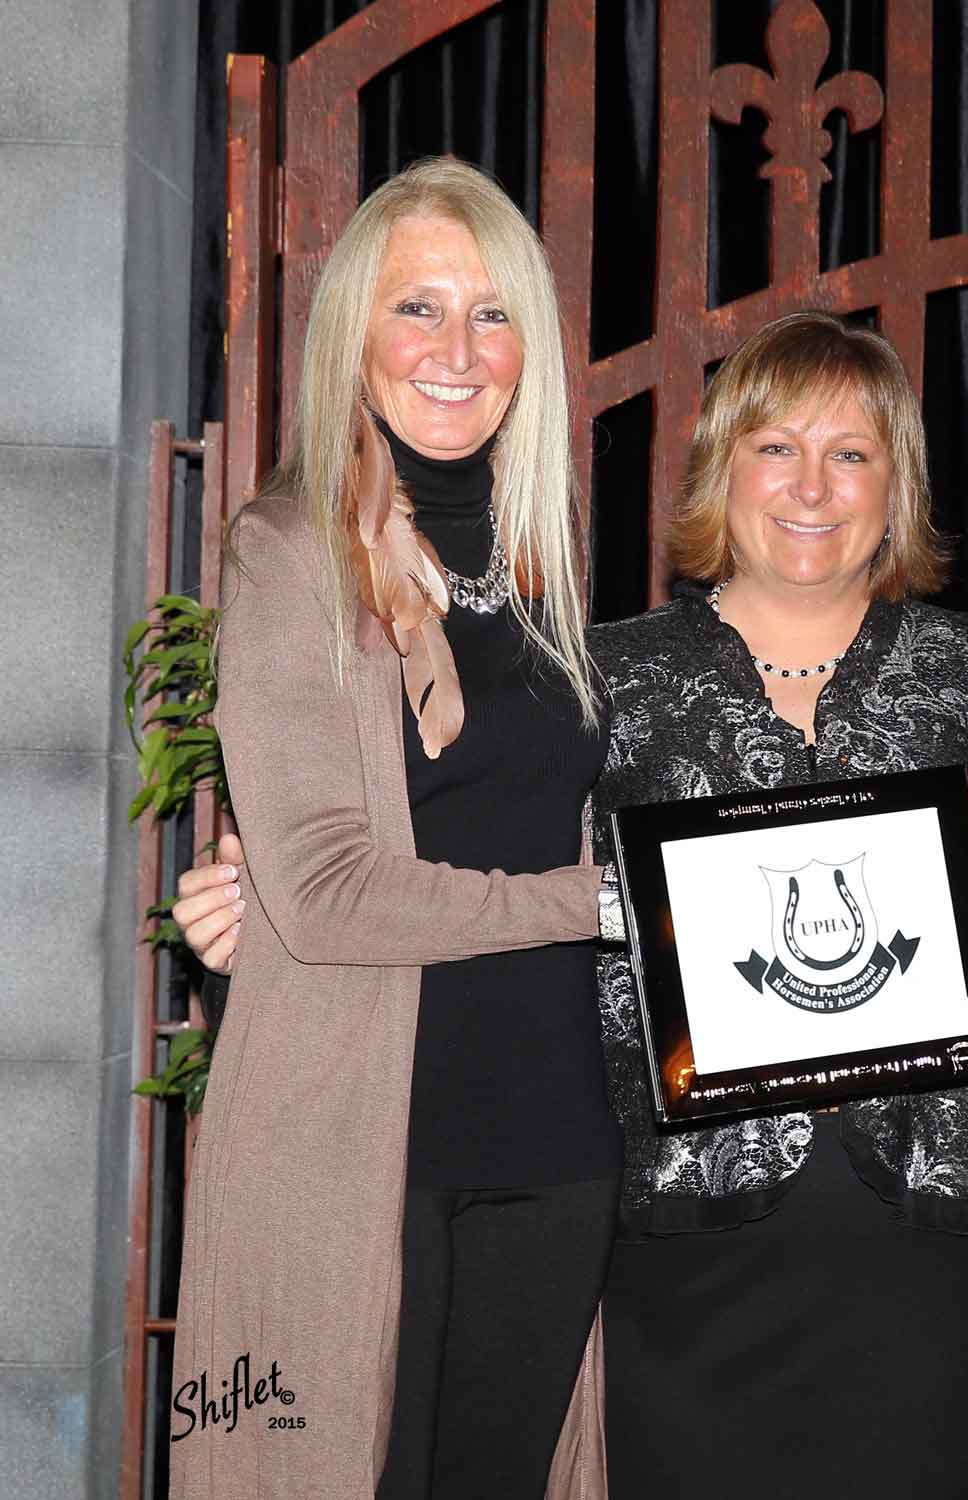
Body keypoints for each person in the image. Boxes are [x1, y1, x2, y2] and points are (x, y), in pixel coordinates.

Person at [179, 311, 968, 1498]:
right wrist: (265, 899)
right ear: (718, 472)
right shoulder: (602, 679)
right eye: (774, 448)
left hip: (936, 1248)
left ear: (897, 488)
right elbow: (458, 856)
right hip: (682, 1259)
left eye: (853, 454)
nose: (811, 486)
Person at [169, 158, 619, 1500]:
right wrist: (590, 902)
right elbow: (327, 889)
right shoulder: (293, 552)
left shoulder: (545, 566)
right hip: (365, 1143)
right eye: (416, 308)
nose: (455, 350)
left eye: (491, 314)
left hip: (555, 1140)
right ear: (354, 333)